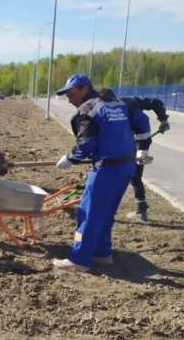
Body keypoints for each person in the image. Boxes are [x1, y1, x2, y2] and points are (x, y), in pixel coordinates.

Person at [52, 74, 146, 272]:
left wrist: (70, 158)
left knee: (87, 213)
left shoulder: (88, 109)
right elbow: (142, 120)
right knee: (106, 212)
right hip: (126, 166)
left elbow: (86, 144)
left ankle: (79, 259)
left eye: (71, 92)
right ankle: (102, 254)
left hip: (106, 169)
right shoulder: (117, 103)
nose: (68, 98)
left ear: (85, 88)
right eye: (66, 94)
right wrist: (143, 147)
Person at [99, 88, 170, 222]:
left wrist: (163, 120)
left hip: (137, 140)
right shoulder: (121, 104)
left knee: (130, 175)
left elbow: (155, 103)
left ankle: (135, 211)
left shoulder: (121, 106)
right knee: (134, 175)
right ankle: (141, 210)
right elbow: (155, 102)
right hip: (135, 141)